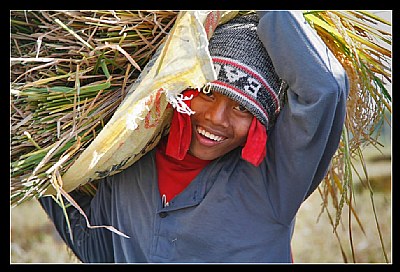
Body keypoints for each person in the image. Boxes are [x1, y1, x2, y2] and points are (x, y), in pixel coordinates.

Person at [38, 11, 349, 263]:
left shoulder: (272, 180)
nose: (216, 118)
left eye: (242, 108)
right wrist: (41, 167)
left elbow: (325, 88)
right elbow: (100, 250)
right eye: (206, 93)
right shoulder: (124, 166)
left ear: (259, 123)